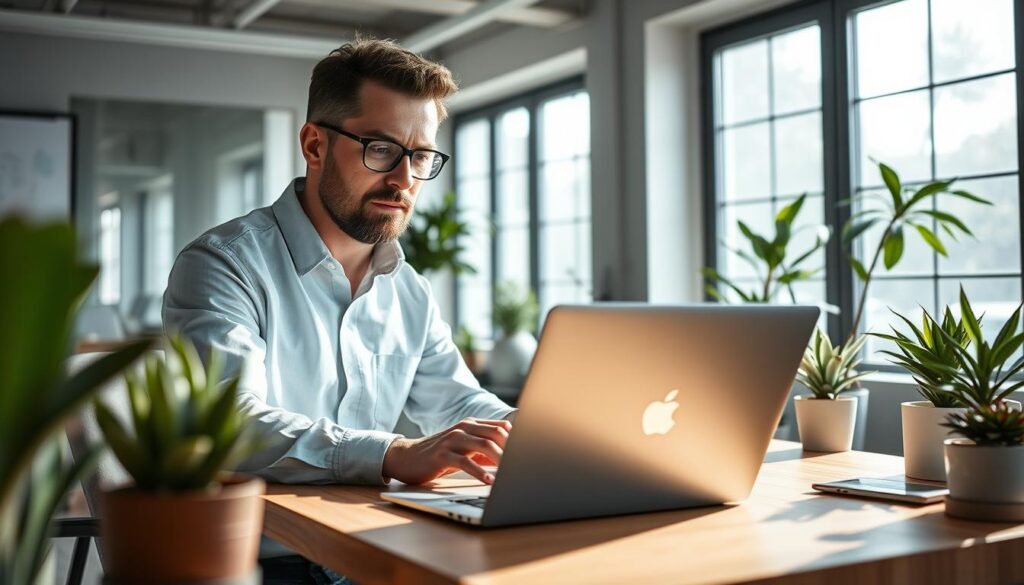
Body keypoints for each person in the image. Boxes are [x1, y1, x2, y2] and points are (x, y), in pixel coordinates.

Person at [162, 38, 514, 584]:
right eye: (380, 148)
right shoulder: (223, 264)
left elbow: (459, 402)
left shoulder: (409, 290)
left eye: (420, 156)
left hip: (371, 546)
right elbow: (229, 423)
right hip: (259, 563)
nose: (403, 180)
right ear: (314, 145)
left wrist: (546, 439)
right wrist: (393, 453)